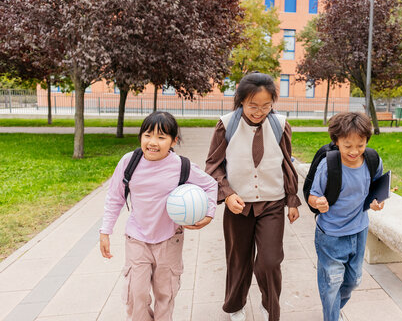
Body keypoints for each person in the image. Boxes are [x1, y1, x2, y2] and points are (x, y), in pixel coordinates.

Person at [99, 111, 218, 321]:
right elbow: (114, 198)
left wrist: (208, 215)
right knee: (136, 295)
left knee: (166, 294)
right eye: (148, 135)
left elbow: (210, 184)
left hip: (170, 240)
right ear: (141, 136)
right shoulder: (129, 162)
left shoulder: (182, 165)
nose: (153, 142)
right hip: (137, 238)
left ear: (174, 141)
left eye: (161, 137)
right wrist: (105, 231)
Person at [205, 72, 301, 321]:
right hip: (238, 205)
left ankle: (270, 307)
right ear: (240, 101)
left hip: (272, 203)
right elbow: (213, 166)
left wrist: (292, 199)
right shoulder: (227, 124)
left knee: (270, 261)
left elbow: (287, 164)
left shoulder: (280, 124)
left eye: (266, 106)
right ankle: (235, 305)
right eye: (253, 106)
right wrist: (227, 195)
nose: (259, 112)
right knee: (238, 260)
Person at [308, 112, 385, 321]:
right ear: (336, 141)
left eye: (360, 145)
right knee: (332, 282)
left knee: (353, 281)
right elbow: (312, 196)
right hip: (331, 235)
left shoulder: (372, 159)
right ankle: (331, 316)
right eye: (347, 145)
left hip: (359, 231)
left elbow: (377, 186)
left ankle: (331, 308)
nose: (354, 151)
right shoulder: (328, 166)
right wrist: (319, 202)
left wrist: (378, 201)